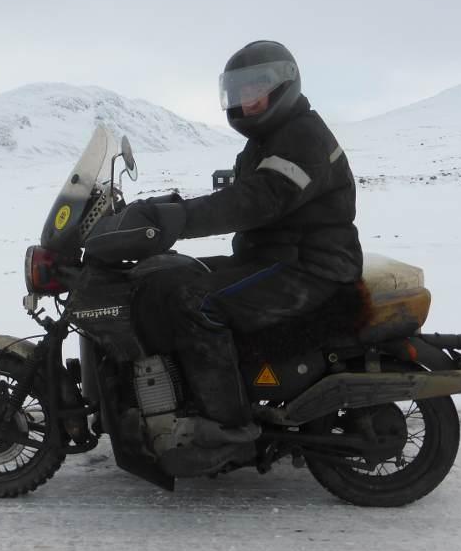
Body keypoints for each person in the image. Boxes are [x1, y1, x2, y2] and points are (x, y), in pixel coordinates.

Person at [127, 40, 364, 462]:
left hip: (309, 267)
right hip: (276, 257)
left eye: (255, 89)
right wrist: (158, 207)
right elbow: (245, 194)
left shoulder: (302, 136)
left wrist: (176, 219)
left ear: (282, 86)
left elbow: (256, 201)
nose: (245, 101)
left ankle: (227, 428)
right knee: (166, 275)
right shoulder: (269, 139)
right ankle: (177, 396)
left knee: (196, 302)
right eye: (238, 91)